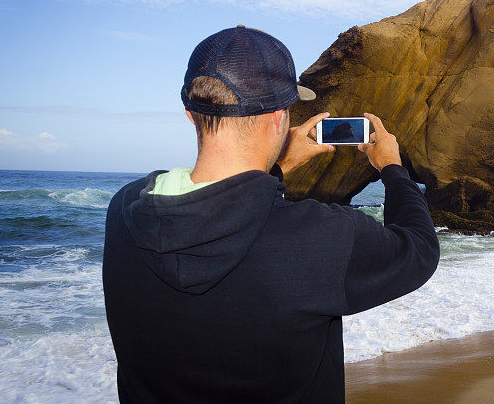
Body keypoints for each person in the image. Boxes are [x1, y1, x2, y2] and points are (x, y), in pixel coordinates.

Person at [103, 25, 440, 402]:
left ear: (190, 115)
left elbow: (221, 214)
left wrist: (275, 169)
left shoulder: (126, 209)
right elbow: (419, 250)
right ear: (280, 118)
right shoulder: (321, 236)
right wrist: (392, 170)